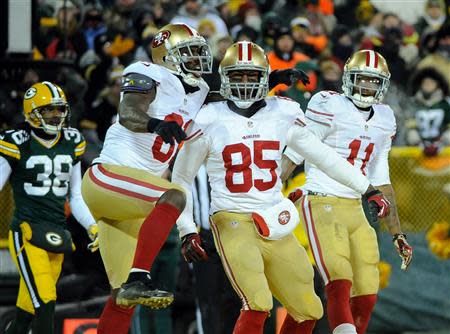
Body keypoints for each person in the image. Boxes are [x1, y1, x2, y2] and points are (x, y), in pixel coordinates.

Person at [172, 41, 391, 334]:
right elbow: (181, 178)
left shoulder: (283, 111)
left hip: (275, 219)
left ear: (265, 78)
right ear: (225, 78)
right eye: (239, 76)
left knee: (309, 309)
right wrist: (186, 228)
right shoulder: (209, 117)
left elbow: (324, 156)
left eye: (253, 76)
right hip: (232, 218)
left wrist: (367, 189)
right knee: (258, 302)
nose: (246, 83)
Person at [80, 23, 212, 334]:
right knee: (174, 197)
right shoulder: (147, 72)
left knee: (122, 299)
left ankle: (133, 281)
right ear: (166, 56)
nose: (197, 60)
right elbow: (128, 112)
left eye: (198, 53)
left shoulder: (199, 92)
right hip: (107, 178)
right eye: (189, 53)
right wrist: (155, 124)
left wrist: (269, 82)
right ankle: (140, 275)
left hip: (132, 202)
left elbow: (223, 98)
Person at [285, 50, 414, 334]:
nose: (366, 87)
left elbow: (383, 179)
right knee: (338, 280)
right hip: (320, 199)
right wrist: (269, 196)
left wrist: (398, 233)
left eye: (373, 82)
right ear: (348, 79)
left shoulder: (385, 117)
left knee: (367, 290)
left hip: (356, 205)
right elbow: (295, 151)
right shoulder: (329, 104)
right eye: (361, 80)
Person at [1, 82, 98, 334]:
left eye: (59, 110)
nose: (56, 116)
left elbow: (75, 196)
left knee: (25, 313)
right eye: (48, 111)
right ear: (32, 112)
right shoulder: (17, 142)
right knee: (45, 300)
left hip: (57, 234)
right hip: (26, 232)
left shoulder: (72, 141)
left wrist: (91, 225)